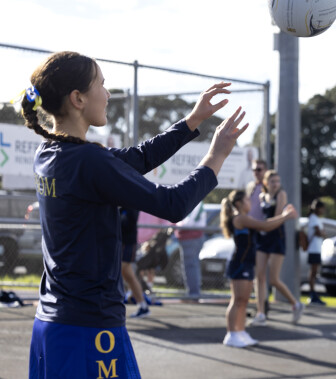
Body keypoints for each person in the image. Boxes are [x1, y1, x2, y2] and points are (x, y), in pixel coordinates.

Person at [22, 51, 247, 378]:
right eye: (101, 84)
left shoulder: (50, 153)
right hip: (89, 328)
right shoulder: (88, 160)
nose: (107, 94)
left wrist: (192, 121)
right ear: (78, 98)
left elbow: (139, 157)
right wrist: (216, 155)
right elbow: (172, 205)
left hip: (53, 324)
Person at [220, 190, 298, 347]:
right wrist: (285, 216)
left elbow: (265, 225)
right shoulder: (240, 218)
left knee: (244, 301)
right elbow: (265, 226)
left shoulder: (245, 217)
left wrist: (283, 217)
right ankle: (231, 334)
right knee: (237, 300)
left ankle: (240, 331)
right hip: (240, 263)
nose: (250, 202)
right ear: (238, 204)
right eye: (247, 200)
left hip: (248, 263)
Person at [251, 169, 304, 325]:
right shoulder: (262, 196)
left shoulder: (281, 194)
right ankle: (261, 313)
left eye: (278, 181)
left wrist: (264, 224)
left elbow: (277, 219)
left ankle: (296, 304)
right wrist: (258, 225)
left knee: (273, 279)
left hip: (276, 238)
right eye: (272, 181)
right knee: (259, 277)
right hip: (262, 237)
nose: (276, 184)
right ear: (266, 183)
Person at [120, 207, 149, 318]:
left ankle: (142, 305)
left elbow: (130, 220)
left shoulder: (130, 203)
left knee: (118, 272)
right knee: (129, 276)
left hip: (127, 242)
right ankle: (143, 306)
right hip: (122, 241)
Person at [175, 202, 207, 300]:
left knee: (191, 266)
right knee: (190, 266)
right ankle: (192, 293)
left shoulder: (196, 203)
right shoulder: (194, 202)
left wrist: (177, 224)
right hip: (189, 238)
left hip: (192, 238)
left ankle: (193, 293)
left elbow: (188, 223)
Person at [306, 198, 326, 305]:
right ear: (318, 208)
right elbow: (319, 232)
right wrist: (322, 233)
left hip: (317, 249)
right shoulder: (313, 218)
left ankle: (313, 293)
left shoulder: (316, 218)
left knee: (314, 272)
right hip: (313, 249)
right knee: (313, 272)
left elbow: (322, 232)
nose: (323, 211)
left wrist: (323, 233)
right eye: (322, 208)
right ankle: (312, 294)